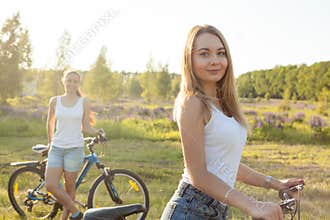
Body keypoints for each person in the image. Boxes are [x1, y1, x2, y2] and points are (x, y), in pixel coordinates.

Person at [160, 25, 304, 220]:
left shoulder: (223, 104)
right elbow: (198, 175)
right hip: (190, 211)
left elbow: (225, 163)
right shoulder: (192, 102)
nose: (215, 61)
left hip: (215, 211)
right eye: (204, 54)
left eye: (221, 53)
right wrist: (253, 205)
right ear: (189, 59)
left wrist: (276, 183)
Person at [45, 69, 104, 220]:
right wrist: (50, 143)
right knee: (51, 185)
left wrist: (98, 132)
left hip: (74, 149)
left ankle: (65, 218)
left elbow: (85, 127)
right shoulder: (54, 101)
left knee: (69, 185)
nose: (71, 83)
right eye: (69, 80)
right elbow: (50, 123)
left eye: (75, 81)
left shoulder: (83, 102)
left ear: (78, 84)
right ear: (63, 81)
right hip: (57, 148)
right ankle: (76, 212)